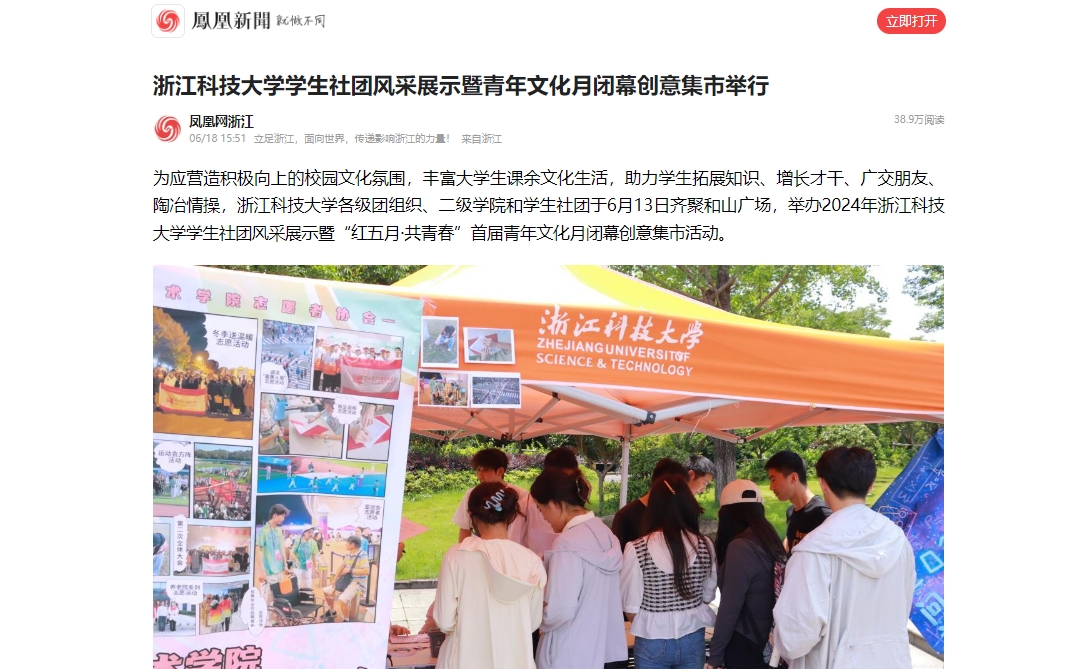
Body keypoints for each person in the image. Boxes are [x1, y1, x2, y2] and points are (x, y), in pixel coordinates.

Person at [772, 447, 915, 669]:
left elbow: (795, 638)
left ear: (823, 484)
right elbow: (902, 607)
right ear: (870, 486)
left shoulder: (814, 550)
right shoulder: (898, 540)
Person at [432, 483, 546, 669]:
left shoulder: (456, 556)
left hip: (463, 659)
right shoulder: (531, 561)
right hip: (514, 660)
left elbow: (444, 620)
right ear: (511, 515)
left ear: (471, 515)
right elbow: (532, 622)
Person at [530, 468, 627, 669]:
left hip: (571, 652)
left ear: (554, 504)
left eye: (540, 509)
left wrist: (536, 614)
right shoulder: (606, 533)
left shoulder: (566, 544)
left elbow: (560, 609)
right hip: (608, 649)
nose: (543, 518)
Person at [621, 475, 718, 669]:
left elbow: (630, 607)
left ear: (653, 507)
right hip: (693, 637)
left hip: (652, 639)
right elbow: (708, 596)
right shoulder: (705, 544)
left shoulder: (636, 548)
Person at [706, 479, 787, 669]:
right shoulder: (769, 538)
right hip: (769, 642)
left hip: (745, 645)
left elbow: (729, 608)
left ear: (729, 513)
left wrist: (714, 657)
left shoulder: (741, 547)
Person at [452, 449, 529, 544]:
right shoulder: (473, 494)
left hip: (510, 549)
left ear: (500, 471)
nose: (480, 476)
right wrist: (462, 548)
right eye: (478, 470)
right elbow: (465, 527)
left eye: (485, 470)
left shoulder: (521, 496)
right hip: (480, 549)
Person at [611, 458, 689, 551]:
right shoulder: (625, 516)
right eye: (679, 489)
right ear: (663, 484)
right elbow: (617, 555)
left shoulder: (675, 515)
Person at [765, 450, 831, 552]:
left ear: (793, 478)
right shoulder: (790, 512)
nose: (771, 487)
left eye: (773, 480)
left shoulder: (823, 515)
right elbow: (789, 543)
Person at [522, 447, 579, 560]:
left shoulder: (575, 494)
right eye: (540, 509)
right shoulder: (530, 500)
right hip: (538, 560)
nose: (564, 483)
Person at [322, 535, 371, 623]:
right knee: (327, 591)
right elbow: (341, 567)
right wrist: (334, 580)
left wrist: (350, 570)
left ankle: (346, 620)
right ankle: (332, 611)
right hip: (346, 580)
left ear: (352, 545)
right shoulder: (348, 554)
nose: (345, 544)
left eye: (347, 543)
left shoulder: (363, 555)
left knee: (342, 599)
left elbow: (366, 571)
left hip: (357, 582)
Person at [255, 504, 290, 605]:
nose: (283, 519)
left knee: (277, 599)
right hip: (268, 572)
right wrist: (262, 571)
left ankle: (275, 615)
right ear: (274, 515)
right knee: (267, 601)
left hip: (279, 571)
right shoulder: (263, 531)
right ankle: (266, 616)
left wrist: (285, 565)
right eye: (282, 516)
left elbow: (282, 549)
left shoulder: (279, 531)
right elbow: (258, 550)